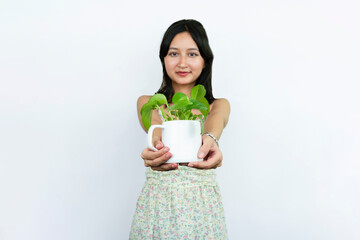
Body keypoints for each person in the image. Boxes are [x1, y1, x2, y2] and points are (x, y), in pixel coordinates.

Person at [130, 19, 230, 239]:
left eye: (192, 54)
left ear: (205, 61)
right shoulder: (149, 103)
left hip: (202, 210)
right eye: (174, 54)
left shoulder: (218, 105)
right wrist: (158, 149)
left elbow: (214, 123)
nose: (182, 63)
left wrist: (210, 139)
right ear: (163, 59)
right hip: (158, 206)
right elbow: (156, 131)